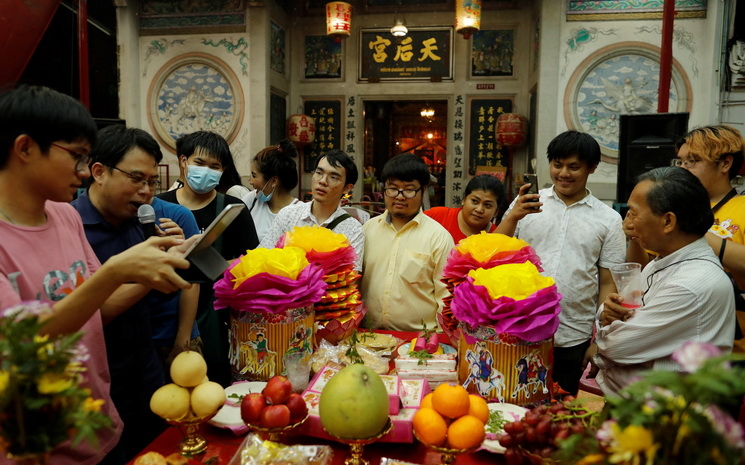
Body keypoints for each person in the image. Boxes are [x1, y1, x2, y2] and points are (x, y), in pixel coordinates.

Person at [0, 86, 192, 465]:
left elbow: (94, 310)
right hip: (40, 441)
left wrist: (152, 267)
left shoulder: (65, 216)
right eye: (76, 156)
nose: (85, 171)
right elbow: (21, 345)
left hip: (100, 417)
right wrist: (119, 270)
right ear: (24, 149)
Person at [70, 124, 201, 461]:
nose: (146, 192)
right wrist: (151, 271)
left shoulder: (141, 222)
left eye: (152, 182)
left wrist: (174, 258)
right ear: (98, 172)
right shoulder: (71, 227)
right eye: (136, 178)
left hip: (147, 365)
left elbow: (157, 295)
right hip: (100, 379)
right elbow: (95, 310)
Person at [501, 130, 626, 396]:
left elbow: (608, 283)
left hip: (573, 336)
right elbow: (492, 252)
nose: (563, 173)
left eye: (574, 167)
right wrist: (513, 217)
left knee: (561, 410)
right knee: (516, 403)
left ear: (592, 168)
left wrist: (599, 340)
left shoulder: (609, 219)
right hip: (520, 328)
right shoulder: (527, 204)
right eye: (557, 165)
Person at [592, 167, 735, 397]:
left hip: (667, 422)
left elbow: (615, 348)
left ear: (668, 221)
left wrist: (606, 330)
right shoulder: (663, 262)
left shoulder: (691, 284)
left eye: (634, 213)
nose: (628, 223)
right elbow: (619, 317)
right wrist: (608, 315)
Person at [628, 125, 745, 348]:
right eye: (679, 161)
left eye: (692, 161)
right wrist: (635, 233)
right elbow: (643, 272)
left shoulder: (742, 207)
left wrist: (692, 230)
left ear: (725, 163)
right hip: (670, 340)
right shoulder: (665, 207)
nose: (682, 168)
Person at [157, 130, 259, 387]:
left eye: (215, 166)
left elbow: (251, 264)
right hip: (165, 316)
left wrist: (217, 265)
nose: (206, 171)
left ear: (223, 171)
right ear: (183, 162)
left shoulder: (233, 210)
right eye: (199, 163)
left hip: (217, 319)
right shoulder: (160, 206)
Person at [360, 154, 454, 331]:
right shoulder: (367, 230)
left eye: (409, 189)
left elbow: (446, 298)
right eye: (393, 188)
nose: (400, 196)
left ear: (423, 189)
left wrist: (439, 341)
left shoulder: (439, 237)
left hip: (418, 341)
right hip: (369, 335)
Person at [259, 149, 364, 270]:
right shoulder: (288, 215)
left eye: (333, 177)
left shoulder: (353, 229)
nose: (323, 181)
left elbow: (350, 279)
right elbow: (262, 256)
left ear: (347, 188)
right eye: (319, 173)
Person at [243, 139, 301, 242]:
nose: (250, 181)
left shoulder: (299, 212)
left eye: (254, 175)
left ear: (273, 180)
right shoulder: (251, 200)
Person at [424, 174, 505, 243]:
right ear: (464, 200)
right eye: (474, 201)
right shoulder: (437, 216)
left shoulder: (497, 236)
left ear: (496, 212)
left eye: (487, 205)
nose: (479, 209)